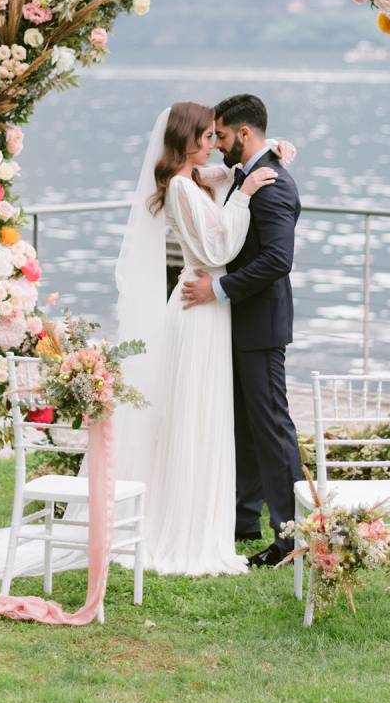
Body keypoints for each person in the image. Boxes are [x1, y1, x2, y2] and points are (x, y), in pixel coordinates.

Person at [114, 101, 284, 575]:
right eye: (209, 137)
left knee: (205, 414)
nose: (216, 144)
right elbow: (219, 247)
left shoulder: (194, 180)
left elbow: (227, 173)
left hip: (208, 307)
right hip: (200, 304)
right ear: (189, 141)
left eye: (217, 136)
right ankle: (187, 528)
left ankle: (203, 519)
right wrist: (247, 194)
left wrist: (275, 151)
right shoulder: (182, 189)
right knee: (196, 414)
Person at [181, 94, 302, 567]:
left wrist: (221, 288)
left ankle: (292, 537)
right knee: (245, 428)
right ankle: (242, 521)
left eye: (223, 135)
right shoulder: (249, 176)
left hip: (261, 325)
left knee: (272, 428)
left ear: (245, 134)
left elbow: (277, 260)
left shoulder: (274, 186)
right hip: (239, 324)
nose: (219, 145)